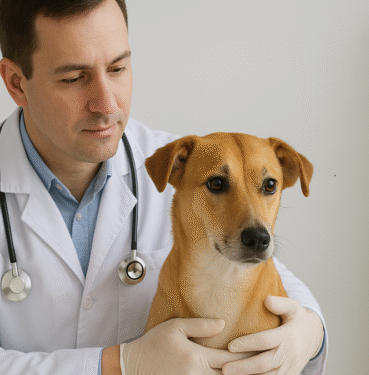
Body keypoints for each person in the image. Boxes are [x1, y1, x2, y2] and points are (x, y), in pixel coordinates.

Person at [0, 0, 327, 374]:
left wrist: (311, 334)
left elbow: (262, 273)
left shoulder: (182, 167)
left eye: (118, 68)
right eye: (74, 78)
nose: (106, 104)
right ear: (16, 83)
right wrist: (117, 364)